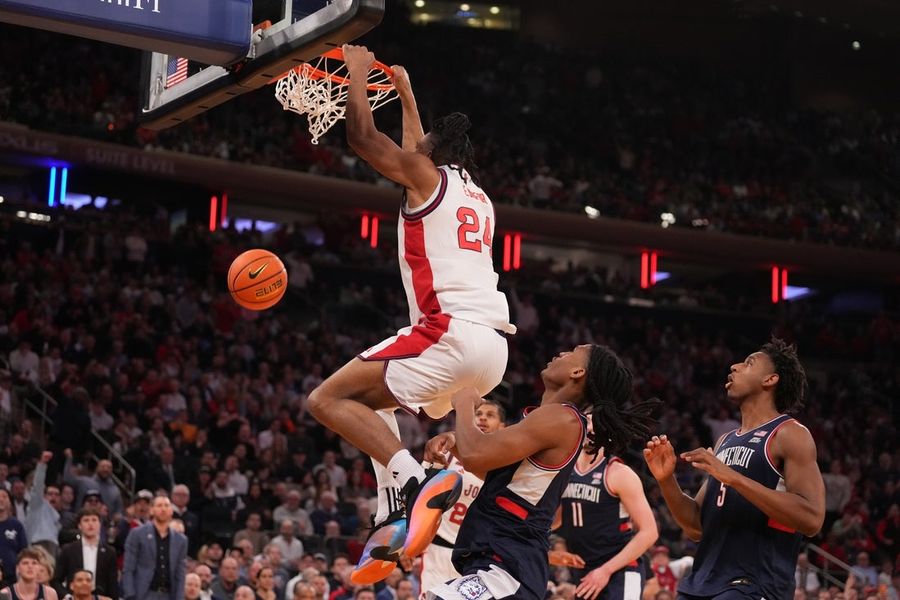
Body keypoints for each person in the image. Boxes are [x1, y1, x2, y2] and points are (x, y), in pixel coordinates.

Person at [306, 45, 515, 583]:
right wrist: (404, 91)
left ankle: (413, 480)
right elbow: (413, 146)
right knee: (371, 400)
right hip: (492, 352)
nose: (414, 146)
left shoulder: (425, 176)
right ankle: (390, 510)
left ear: (432, 153)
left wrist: (356, 73)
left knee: (326, 399)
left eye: (421, 146)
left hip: (448, 333)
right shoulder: (477, 194)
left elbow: (363, 139)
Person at [423, 344, 658, 600]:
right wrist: (456, 441)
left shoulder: (563, 419)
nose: (561, 353)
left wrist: (465, 403)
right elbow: (494, 471)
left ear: (578, 372)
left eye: (572, 352)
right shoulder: (553, 419)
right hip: (501, 560)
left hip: (507, 567)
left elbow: (475, 457)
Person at [644, 338, 825, 600]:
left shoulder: (790, 434)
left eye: (749, 363)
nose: (734, 366)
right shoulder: (725, 441)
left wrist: (733, 478)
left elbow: (812, 519)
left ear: (770, 379)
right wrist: (666, 480)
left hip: (754, 584)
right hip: (702, 583)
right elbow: (695, 526)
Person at [553, 425, 659, 600]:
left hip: (620, 568)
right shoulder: (565, 471)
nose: (589, 427)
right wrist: (547, 553)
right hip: (586, 569)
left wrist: (605, 570)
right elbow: (554, 520)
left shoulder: (619, 473)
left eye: (596, 423)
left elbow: (650, 532)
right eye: (586, 420)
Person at [419, 400, 506, 598]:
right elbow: (421, 495)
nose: (482, 418)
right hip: (439, 546)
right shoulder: (449, 452)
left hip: (478, 555)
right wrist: (409, 538)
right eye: (479, 414)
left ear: (502, 427)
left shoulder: (505, 463)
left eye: (490, 415)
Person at [122, 496, 188, 600]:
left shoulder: (180, 540)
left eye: (166, 506)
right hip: (143, 594)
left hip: (168, 595)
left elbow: (180, 573)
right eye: (159, 505)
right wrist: (129, 594)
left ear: (171, 511)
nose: (163, 509)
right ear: (152, 510)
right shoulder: (137, 534)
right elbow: (128, 568)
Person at [54, 508, 118, 598]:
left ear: (100, 524)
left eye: (94, 520)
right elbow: (56, 580)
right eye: (86, 520)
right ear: (79, 526)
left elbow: (113, 584)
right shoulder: (68, 550)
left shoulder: (110, 552)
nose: (90, 524)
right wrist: (67, 596)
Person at [24, 452, 62, 559]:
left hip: (53, 548)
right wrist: (42, 464)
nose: (53, 497)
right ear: (44, 496)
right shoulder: (37, 506)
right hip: (38, 544)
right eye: (50, 494)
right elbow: (38, 487)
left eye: (56, 495)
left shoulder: (57, 518)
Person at [0, 488, 28, 586]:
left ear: (10, 502)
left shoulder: (16, 525)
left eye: (4, 496)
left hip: (11, 578)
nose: (1, 499)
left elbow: (23, 552)